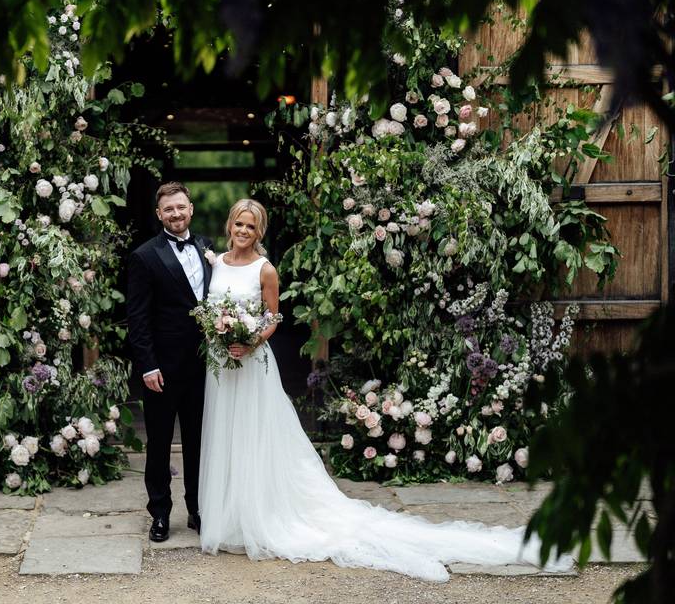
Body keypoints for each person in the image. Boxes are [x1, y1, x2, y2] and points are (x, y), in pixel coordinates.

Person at [197, 198, 574, 582]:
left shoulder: (266, 269)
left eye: (251, 227)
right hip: (222, 369)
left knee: (254, 437)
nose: (243, 232)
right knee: (226, 436)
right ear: (229, 225)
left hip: (252, 364)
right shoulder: (216, 264)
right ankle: (229, 515)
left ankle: (260, 515)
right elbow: (214, 311)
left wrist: (250, 341)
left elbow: (272, 316)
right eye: (239, 225)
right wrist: (220, 332)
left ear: (259, 232)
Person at [126, 182, 214, 542]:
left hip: (205, 367)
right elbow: (138, 318)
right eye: (169, 209)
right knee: (159, 444)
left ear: (190, 208)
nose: (176, 214)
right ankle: (160, 514)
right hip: (161, 369)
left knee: (199, 442)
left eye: (181, 207)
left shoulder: (208, 249)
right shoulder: (144, 256)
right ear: (159, 215)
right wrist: (148, 366)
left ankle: (197, 510)